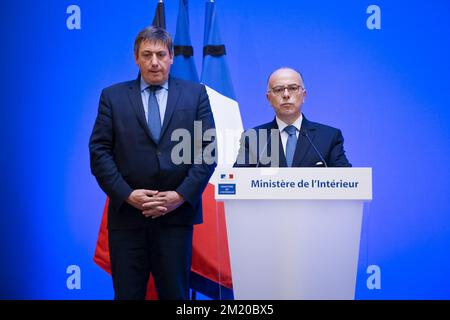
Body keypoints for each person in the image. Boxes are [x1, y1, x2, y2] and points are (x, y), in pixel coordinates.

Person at [89, 26, 216, 300]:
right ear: (136, 58)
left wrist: (180, 196)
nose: (154, 62)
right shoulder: (112, 97)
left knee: (176, 296)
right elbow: (99, 152)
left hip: (175, 219)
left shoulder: (196, 95)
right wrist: (128, 195)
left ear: (171, 57)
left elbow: (207, 151)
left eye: (161, 54)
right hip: (128, 219)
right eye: (147, 55)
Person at [235, 67, 351, 167]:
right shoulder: (253, 138)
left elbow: (347, 181)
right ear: (269, 99)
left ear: (304, 95)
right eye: (278, 90)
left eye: (293, 88)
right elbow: (237, 183)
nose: (286, 95)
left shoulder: (329, 137)